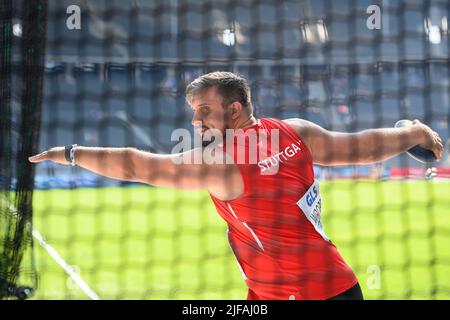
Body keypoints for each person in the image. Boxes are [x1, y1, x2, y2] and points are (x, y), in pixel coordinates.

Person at [29, 71, 444, 300]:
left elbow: (139, 166)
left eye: (205, 111)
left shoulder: (223, 162)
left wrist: (70, 152)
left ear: (236, 108)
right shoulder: (293, 130)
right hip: (333, 287)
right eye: (194, 111)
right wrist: (414, 132)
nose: (196, 121)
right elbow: (362, 148)